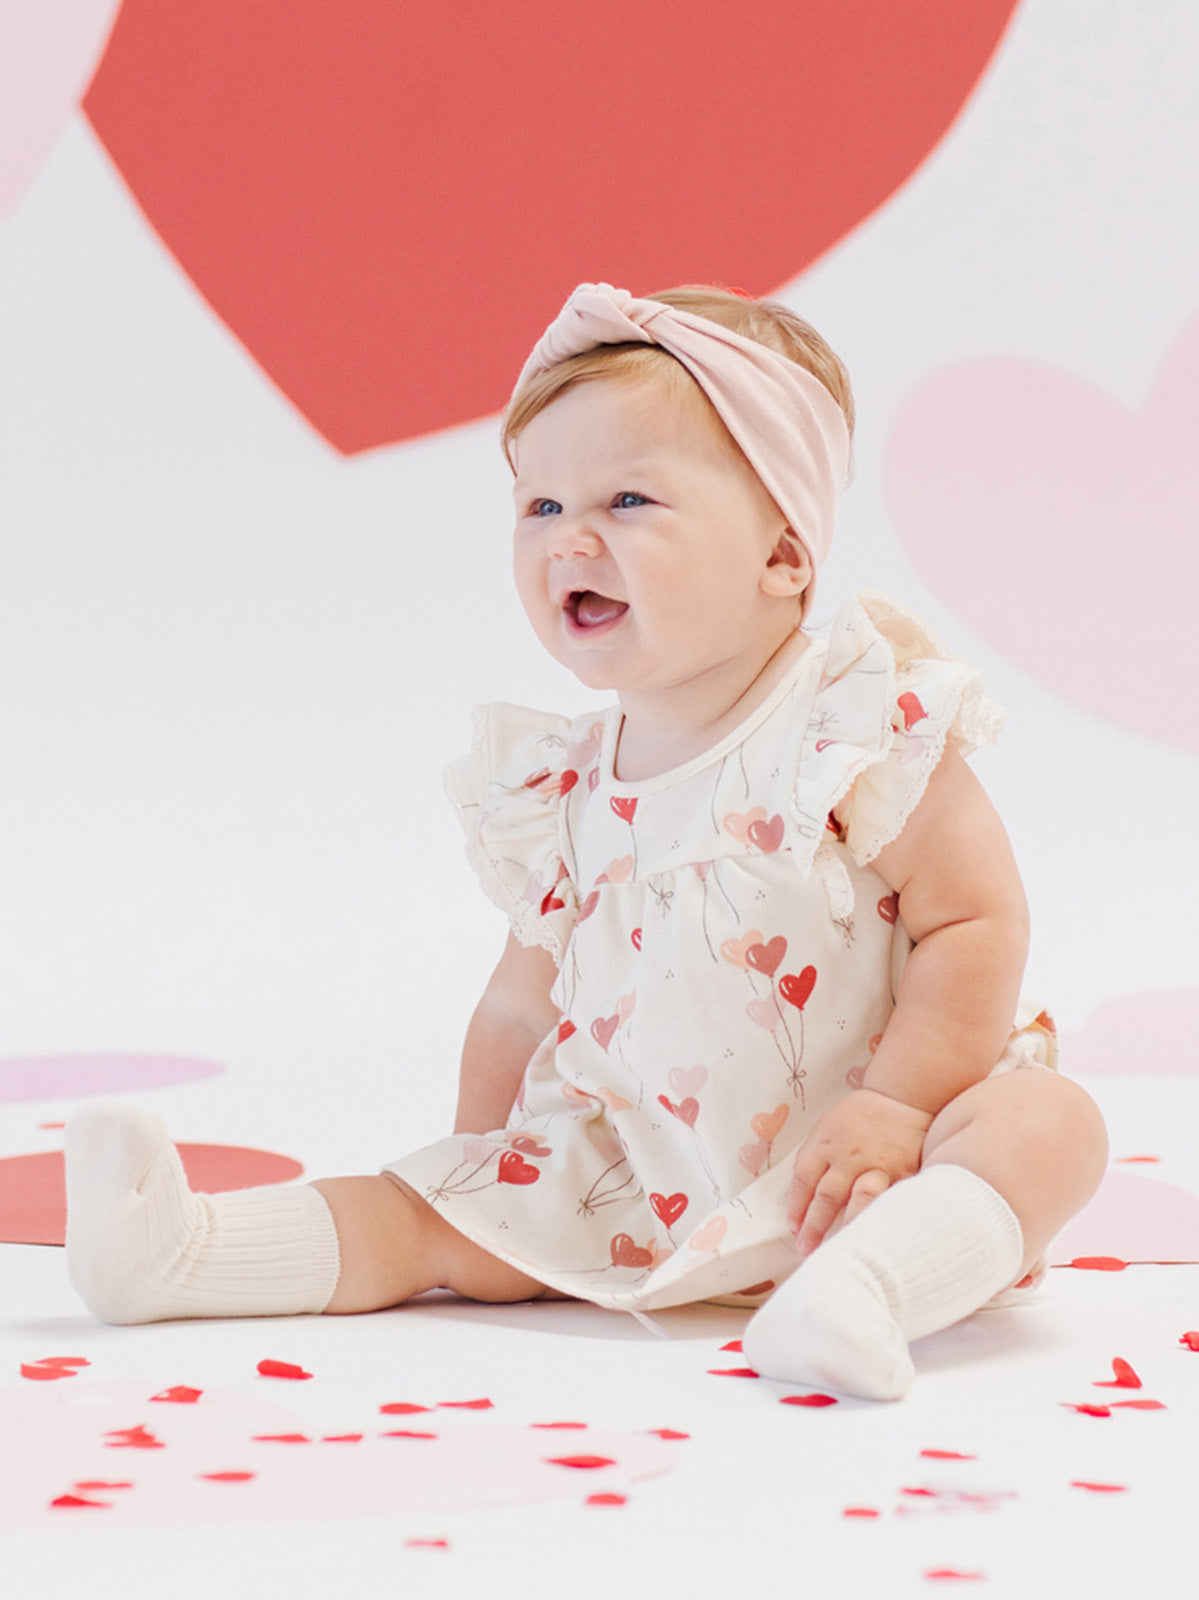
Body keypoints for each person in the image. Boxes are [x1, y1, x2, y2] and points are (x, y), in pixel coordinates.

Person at [64, 283, 1108, 1400]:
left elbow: (971, 918)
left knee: (1047, 1123)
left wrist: (899, 1106)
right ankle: (178, 1254)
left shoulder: (847, 723)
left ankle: (864, 1290)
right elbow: (519, 1004)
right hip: (634, 1177)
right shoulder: (561, 783)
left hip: (857, 1160)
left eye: (626, 497)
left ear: (781, 556)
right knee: (414, 1214)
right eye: (541, 507)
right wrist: (474, 1173)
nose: (573, 538)